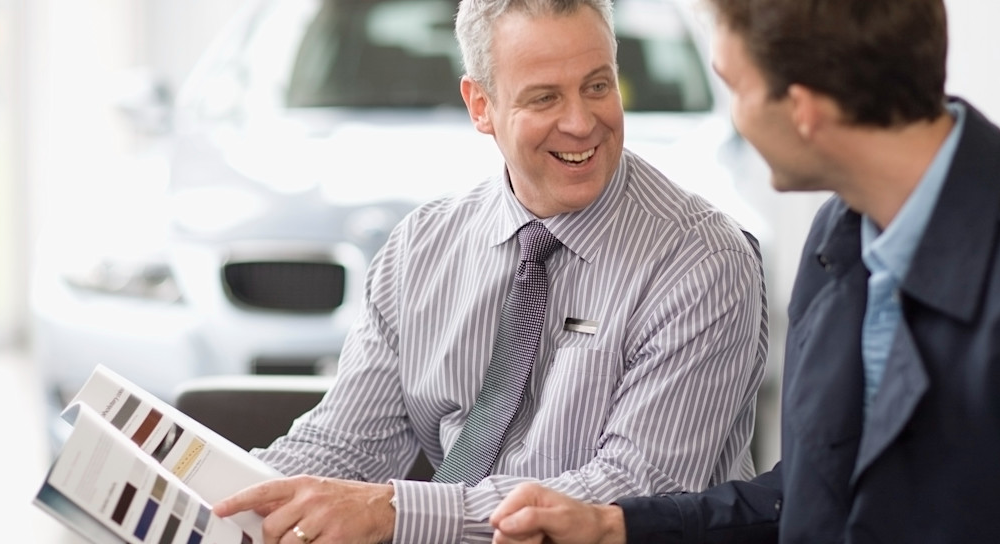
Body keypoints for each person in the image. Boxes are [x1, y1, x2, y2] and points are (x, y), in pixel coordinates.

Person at [489, 0, 1000, 542]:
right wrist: (616, 525)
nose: (733, 120)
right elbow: (817, 497)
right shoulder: (842, 237)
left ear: (805, 109)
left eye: (735, 87)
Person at [212, 0, 769, 542]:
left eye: (598, 86)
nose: (581, 123)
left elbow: (632, 492)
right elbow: (348, 445)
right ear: (481, 106)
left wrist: (397, 512)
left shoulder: (702, 261)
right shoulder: (421, 247)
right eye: (545, 98)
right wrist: (218, 500)